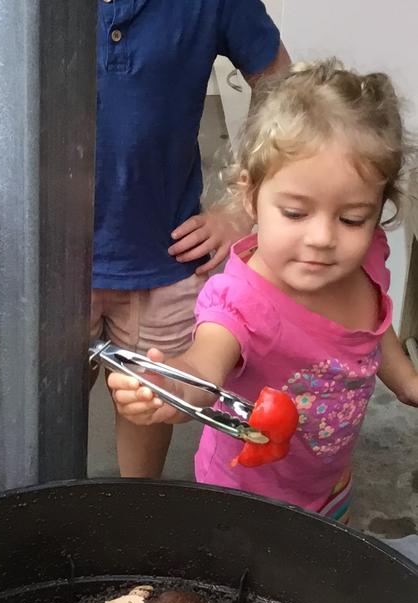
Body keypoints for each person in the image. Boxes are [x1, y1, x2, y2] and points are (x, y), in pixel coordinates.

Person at [108, 60, 418, 521]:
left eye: (351, 217)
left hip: (331, 484)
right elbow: (202, 367)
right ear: (251, 197)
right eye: (296, 213)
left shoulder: (366, 256)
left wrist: (409, 383)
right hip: (246, 501)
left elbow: (374, 330)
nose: (323, 238)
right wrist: (166, 386)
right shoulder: (241, 302)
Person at [92, 0, 290, 478]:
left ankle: (135, 520)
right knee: (36, 419)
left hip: (165, 254)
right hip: (44, 259)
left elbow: (282, 86)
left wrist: (239, 204)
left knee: (150, 400)